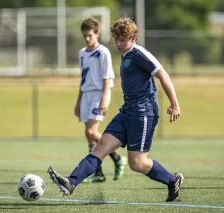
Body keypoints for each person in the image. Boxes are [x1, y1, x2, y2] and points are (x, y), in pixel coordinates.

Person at [48, 16, 183, 202]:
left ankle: (172, 179)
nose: (118, 43)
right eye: (116, 39)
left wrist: (174, 104)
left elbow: (163, 75)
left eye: (123, 40)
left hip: (143, 114)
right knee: (100, 148)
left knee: (138, 163)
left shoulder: (139, 53)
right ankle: (70, 183)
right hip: (126, 113)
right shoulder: (125, 55)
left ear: (133, 39)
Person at [74, 18, 127, 183]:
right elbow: (83, 78)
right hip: (86, 95)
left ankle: (118, 158)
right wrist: (78, 101)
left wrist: (104, 98)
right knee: (89, 135)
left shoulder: (103, 52)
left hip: (99, 94)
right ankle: (99, 173)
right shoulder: (82, 53)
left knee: (91, 131)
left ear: (97, 33)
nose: (87, 39)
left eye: (90, 35)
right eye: (85, 36)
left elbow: (107, 77)